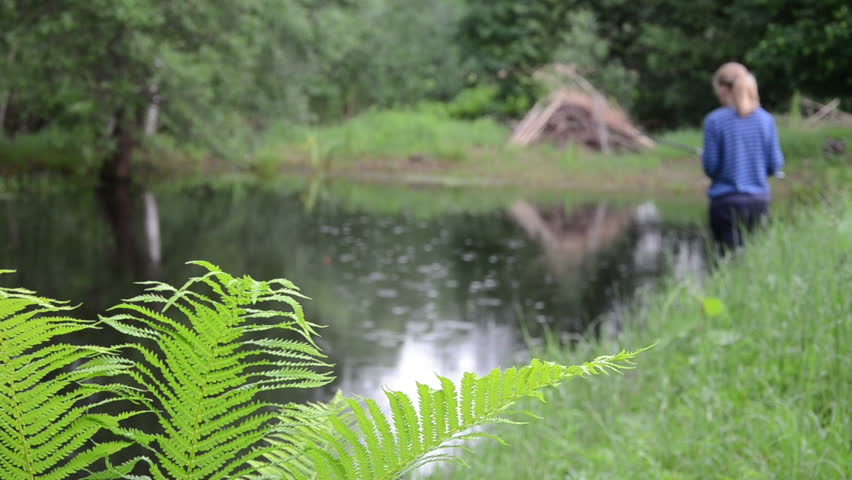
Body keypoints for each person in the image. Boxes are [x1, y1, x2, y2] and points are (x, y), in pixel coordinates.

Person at [702, 62, 785, 254]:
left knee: (727, 261)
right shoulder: (766, 120)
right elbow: (775, 164)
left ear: (723, 89)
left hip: (725, 202)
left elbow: (711, 167)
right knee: (754, 257)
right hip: (759, 201)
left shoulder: (714, 121)